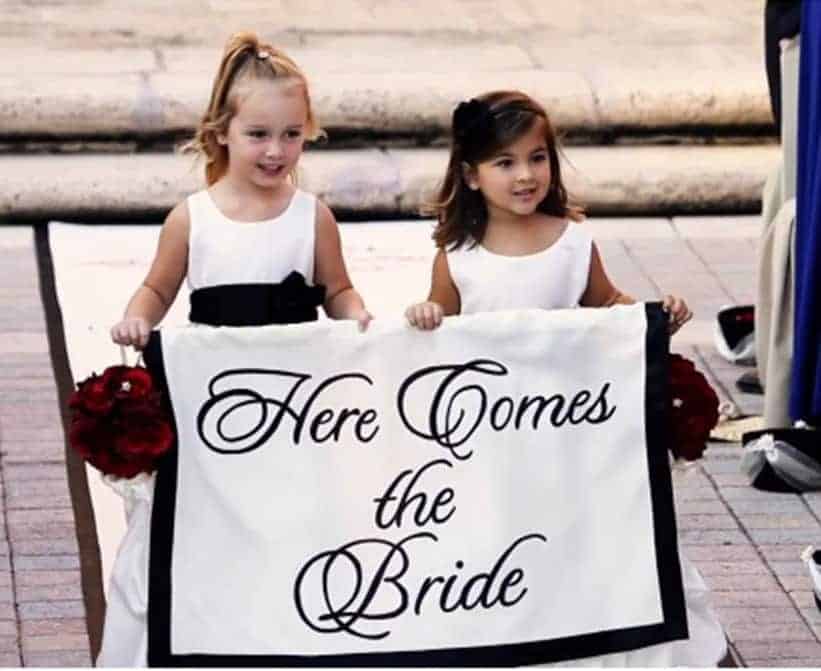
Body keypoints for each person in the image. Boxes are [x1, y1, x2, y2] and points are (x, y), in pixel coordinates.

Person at [405, 90, 726, 667]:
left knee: (579, 531)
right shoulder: (458, 256)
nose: (525, 175)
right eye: (504, 162)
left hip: (570, 430)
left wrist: (656, 316)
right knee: (509, 532)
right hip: (496, 437)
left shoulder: (572, 241)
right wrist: (427, 315)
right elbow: (441, 335)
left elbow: (608, 305)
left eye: (537, 158)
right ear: (472, 175)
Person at [99, 31, 370, 666]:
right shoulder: (193, 218)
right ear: (222, 132)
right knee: (211, 523)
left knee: (290, 523)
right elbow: (157, 287)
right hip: (216, 406)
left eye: (292, 135)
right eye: (258, 134)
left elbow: (338, 288)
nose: (276, 151)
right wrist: (136, 319)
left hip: (297, 407)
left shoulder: (312, 217)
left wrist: (357, 316)